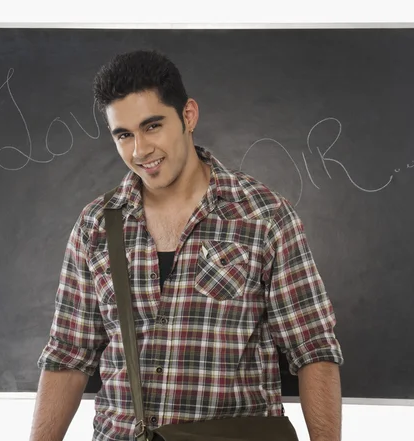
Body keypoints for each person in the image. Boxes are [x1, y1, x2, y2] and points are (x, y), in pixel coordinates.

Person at [30, 49, 344, 441]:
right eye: (124, 135)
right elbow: (67, 357)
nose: (140, 150)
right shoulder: (96, 225)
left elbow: (313, 350)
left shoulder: (264, 216)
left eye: (153, 126)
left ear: (188, 116)